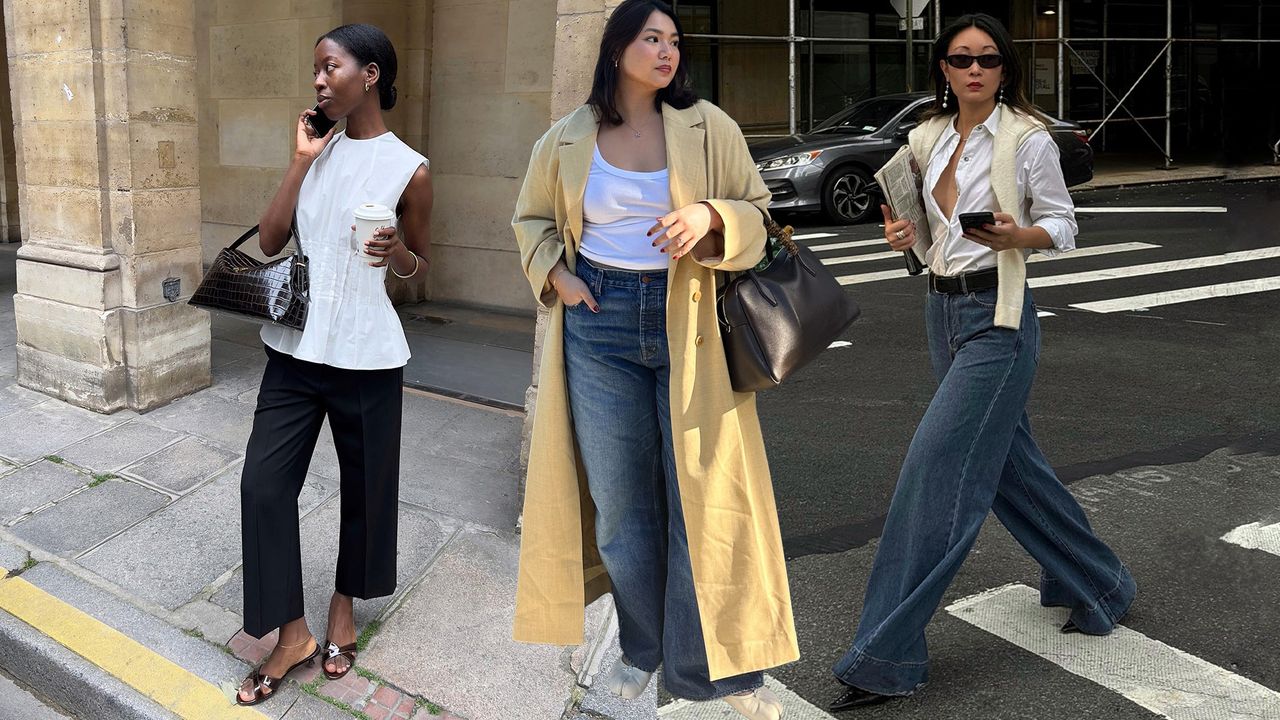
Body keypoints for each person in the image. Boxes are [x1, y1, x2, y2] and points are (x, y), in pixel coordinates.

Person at [828, 13, 1136, 712]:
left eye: (989, 59)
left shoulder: (1027, 140)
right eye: (962, 58)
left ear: (1005, 69)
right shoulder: (927, 139)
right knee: (1007, 468)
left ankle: (884, 654)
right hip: (942, 312)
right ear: (942, 67)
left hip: (999, 319)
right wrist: (897, 231)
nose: (975, 69)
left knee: (937, 471)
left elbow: (1063, 227)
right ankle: (1102, 582)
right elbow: (915, 230)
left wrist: (1015, 233)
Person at [510, 1, 798, 717]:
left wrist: (710, 217)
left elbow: (762, 216)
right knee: (619, 509)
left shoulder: (710, 127)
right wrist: (557, 273)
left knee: (701, 503)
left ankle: (719, 675)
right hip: (598, 325)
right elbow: (531, 218)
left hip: (692, 322)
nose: (667, 51)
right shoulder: (567, 137)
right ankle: (642, 648)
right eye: (651, 38)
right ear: (616, 50)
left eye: (674, 40)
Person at [234, 23, 431, 706]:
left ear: (370, 73)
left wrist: (396, 252)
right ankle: (292, 635)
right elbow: (268, 238)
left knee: (367, 490)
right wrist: (297, 162)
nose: (318, 80)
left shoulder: (411, 167)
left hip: (368, 354)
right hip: (293, 350)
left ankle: (344, 607)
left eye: (330, 67)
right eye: (316, 70)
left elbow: (419, 262)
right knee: (262, 486)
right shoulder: (314, 151)